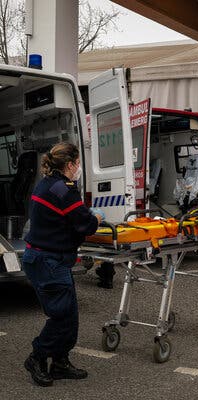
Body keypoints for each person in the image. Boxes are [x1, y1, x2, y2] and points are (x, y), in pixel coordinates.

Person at [22, 142, 105, 387]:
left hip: (45, 258)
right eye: (78, 163)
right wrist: (97, 217)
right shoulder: (64, 189)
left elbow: (67, 218)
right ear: (69, 165)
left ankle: (59, 362)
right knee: (62, 317)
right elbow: (86, 225)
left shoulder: (47, 184)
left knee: (69, 314)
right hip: (48, 260)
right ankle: (37, 357)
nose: (79, 167)